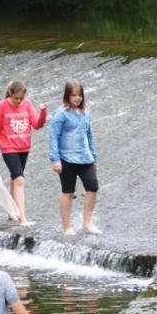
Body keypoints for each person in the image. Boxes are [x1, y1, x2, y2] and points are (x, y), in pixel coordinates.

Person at [0, 80, 47, 226]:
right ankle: (22, 217)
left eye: (21, 98)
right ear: (10, 94)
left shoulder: (27, 104)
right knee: (19, 180)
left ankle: (10, 211)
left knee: (15, 179)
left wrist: (43, 113)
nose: (19, 101)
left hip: (24, 148)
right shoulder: (2, 106)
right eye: (16, 98)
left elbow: (37, 124)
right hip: (8, 148)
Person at [48, 80, 100, 235]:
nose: (77, 98)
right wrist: (55, 160)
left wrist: (94, 157)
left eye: (80, 95)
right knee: (68, 192)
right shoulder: (61, 114)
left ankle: (87, 223)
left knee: (93, 187)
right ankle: (67, 227)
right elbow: (53, 137)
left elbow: (89, 135)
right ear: (67, 96)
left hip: (85, 157)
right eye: (74, 95)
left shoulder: (86, 112)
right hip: (67, 159)